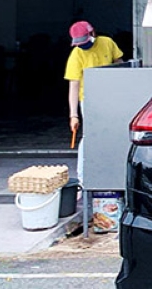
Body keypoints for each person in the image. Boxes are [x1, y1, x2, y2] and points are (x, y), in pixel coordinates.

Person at [64, 20, 123, 183]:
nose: (82, 46)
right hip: (89, 100)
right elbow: (73, 86)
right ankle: (83, 180)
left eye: (84, 42)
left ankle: (114, 174)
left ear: (92, 34)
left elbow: (120, 65)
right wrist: (73, 115)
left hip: (111, 97)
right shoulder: (76, 54)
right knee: (90, 136)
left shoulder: (107, 43)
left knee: (115, 133)